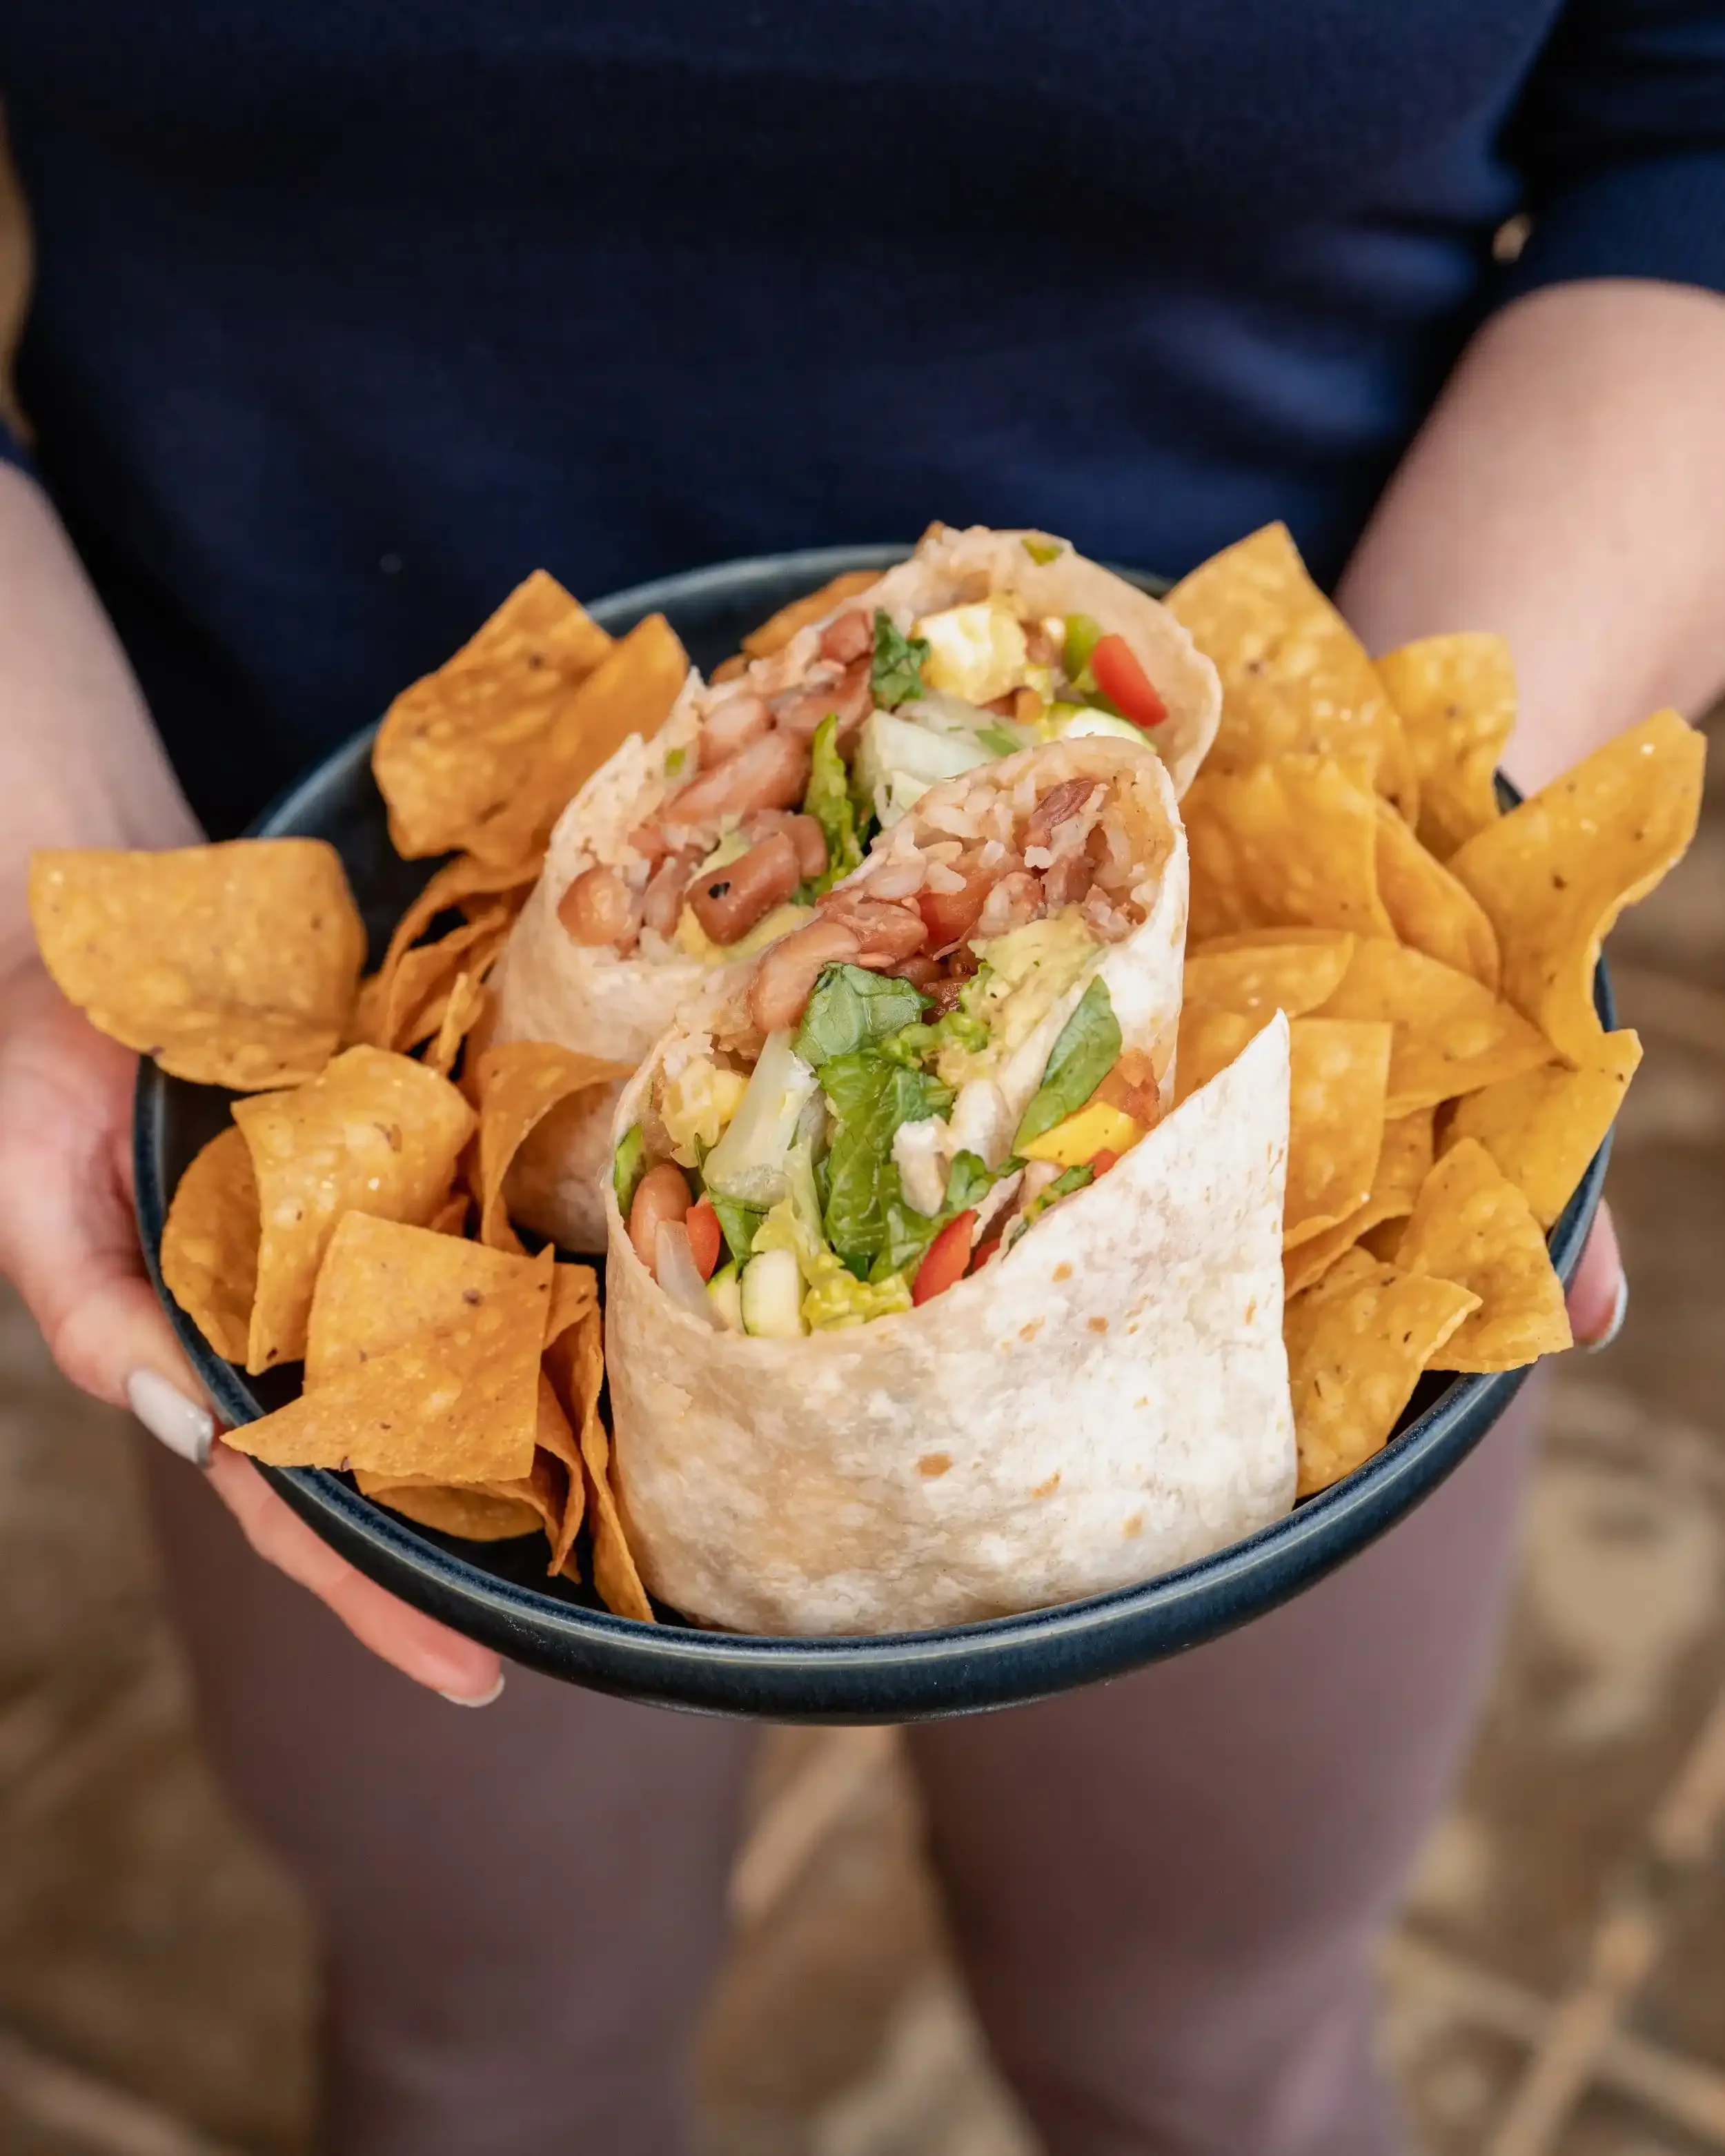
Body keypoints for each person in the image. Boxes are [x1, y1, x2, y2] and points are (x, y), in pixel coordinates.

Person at [0, 5, 1720, 2149]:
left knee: (1212, 2060)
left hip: (1271, 1041)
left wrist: (1411, 837)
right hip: (318, 968)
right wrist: (31, 894)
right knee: (476, 2056)